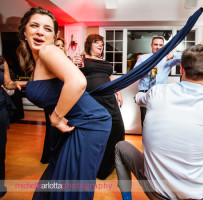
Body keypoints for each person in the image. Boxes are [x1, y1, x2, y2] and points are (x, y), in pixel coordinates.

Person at [115, 44, 203, 200]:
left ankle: (126, 198)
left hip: (156, 192)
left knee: (120, 146)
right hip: (197, 195)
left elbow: (139, 98)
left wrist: (139, 98)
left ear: (181, 69)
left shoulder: (157, 92)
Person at [17, 7, 112, 200]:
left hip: (90, 123)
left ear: (54, 35)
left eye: (47, 28)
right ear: (24, 31)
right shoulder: (39, 61)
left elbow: (78, 82)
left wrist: (56, 117)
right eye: (34, 25)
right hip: (76, 123)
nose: (40, 32)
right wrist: (15, 83)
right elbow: (48, 87)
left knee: (69, 187)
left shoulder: (48, 50)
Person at [75, 34, 125, 180]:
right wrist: (72, 63)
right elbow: (72, 75)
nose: (101, 46)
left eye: (102, 44)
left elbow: (110, 78)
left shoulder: (105, 61)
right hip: (92, 99)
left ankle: (107, 164)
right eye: (97, 43)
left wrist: (119, 94)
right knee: (96, 132)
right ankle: (91, 165)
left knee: (117, 128)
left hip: (109, 99)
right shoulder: (81, 58)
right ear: (89, 44)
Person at [134, 36, 181, 128]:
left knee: (158, 119)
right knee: (145, 120)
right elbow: (135, 73)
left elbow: (185, 58)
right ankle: (145, 141)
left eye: (160, 45)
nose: (158, 47)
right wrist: (146, 69)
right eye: (155, 44)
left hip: (160, 92)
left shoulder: (168, 58)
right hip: (144, 92)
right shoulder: (143, 58)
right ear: (151, 45)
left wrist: (174, 55)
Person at [0, 56, 24, 199]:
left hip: (0, 107)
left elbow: (7, 83)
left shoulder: (2, 61)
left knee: (0, 150)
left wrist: (18, 84)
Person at [40, 37, 67, 164]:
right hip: (52, 98)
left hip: (64, 98)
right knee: (52, 128)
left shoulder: (66, 60)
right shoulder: (49, 61)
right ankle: (51, 156)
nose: (60, 47)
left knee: (61, 128)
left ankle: (61, 156)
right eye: (57, 45)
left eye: (62, 45)